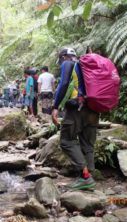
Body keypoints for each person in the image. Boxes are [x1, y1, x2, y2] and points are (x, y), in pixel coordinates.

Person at [52, 48, 99, 190]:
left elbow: (64, 83)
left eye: (60, 59)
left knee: (66, 141)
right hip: (94, 108)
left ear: (64, 56)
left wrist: (55, 106)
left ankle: (85, 178)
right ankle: (89, 176)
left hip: (77, 108)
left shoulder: (68, 63)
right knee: (87, 144)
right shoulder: (86, 67)